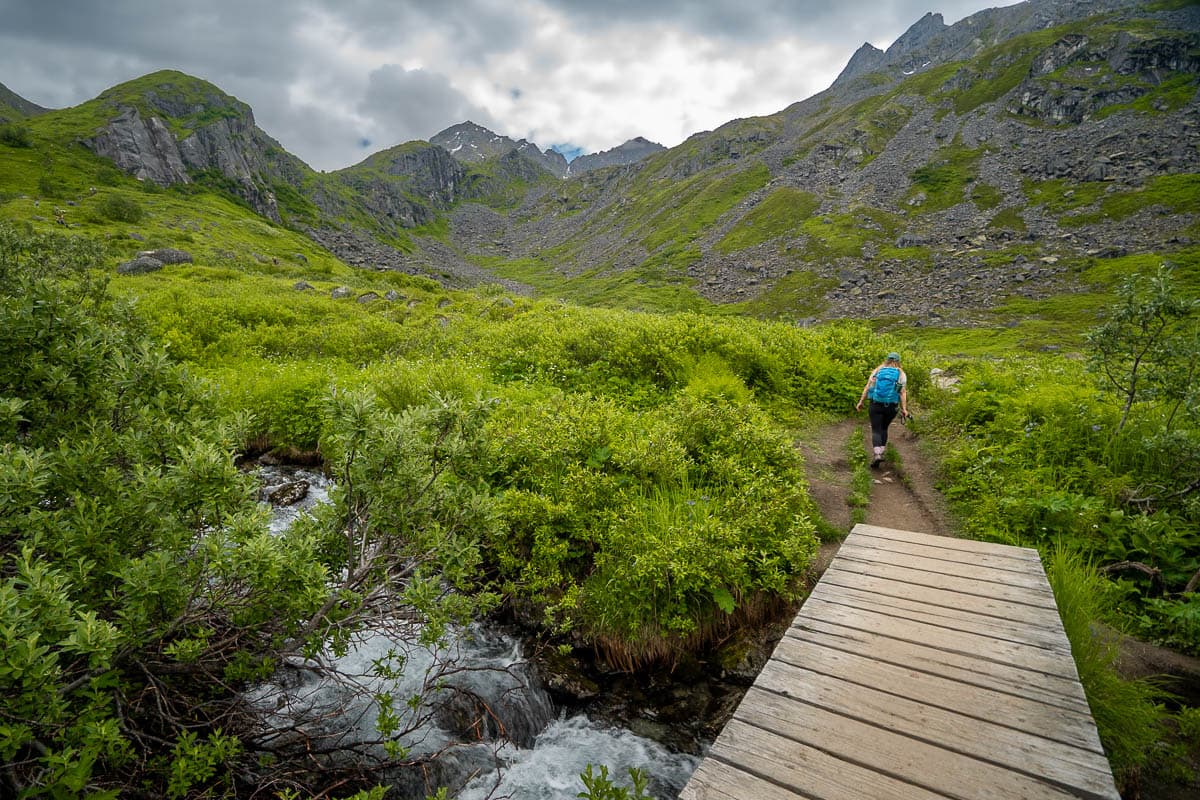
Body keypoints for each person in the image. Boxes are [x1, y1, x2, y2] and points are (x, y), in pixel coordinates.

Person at [855, 352, 909, 468]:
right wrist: (904, 409)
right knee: (884, 428)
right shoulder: (901, 374)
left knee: (876, 429)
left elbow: (868, 387)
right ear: (898, 361)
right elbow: (902, 392)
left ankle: (877, 455)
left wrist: (861, 402)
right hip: (891, 406)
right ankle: (881, 451)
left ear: (887, 360)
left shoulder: (877, 371)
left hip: (875, 404)